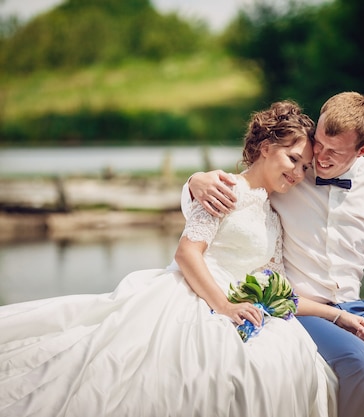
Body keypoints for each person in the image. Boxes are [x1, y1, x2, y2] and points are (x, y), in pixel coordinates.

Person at [0, 100, 338, 417]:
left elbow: (277, 287)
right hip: (195, 296)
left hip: (242, 303)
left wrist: (336, 315)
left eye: (305, 166)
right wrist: (224, 306)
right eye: (293, 159)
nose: (298, 173)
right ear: (265, 148)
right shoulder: (223, 187)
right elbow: (187, 252)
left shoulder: (273, 218)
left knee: (286, 358)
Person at [186, 92, 364, 417]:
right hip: (304, 311)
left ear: (362, 149)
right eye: (318, 142)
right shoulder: (293, 172)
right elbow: (239, 191)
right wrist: (196, 181)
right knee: (362, 365)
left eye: (334, 151)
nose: (319, 157)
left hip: (362, 310)